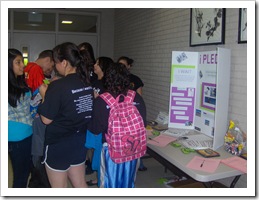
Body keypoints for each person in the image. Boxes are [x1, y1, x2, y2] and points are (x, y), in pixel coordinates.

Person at [37, 42, 94, 188]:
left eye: (56, 62)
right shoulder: (86, 82)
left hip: (59, 144)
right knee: (80, 183)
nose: (55, 66)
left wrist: (44, 95)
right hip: (79, 140)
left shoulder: (57, 86)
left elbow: (46, 120)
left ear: (64, 62)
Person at [88, 63, 147, 188]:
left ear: (107, 78)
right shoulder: (136, 97)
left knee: (109, 182)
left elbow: (95, 129)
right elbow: (144, 123)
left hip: (111, 150)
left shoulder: (102, 100)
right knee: (129, 181)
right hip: (133, 149)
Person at [85, 56, 114, 187]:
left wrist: (96, 99)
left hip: (102, 123)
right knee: (94, 150)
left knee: (99, 151)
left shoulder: (108, 84)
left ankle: (100, 177)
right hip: (92, 119)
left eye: (97, 63)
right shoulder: (95, 82)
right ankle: (98, 174)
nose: (94, 65)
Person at [8, 48, 33, 187]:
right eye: (18, 62)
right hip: (15, 136)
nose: (22, 65)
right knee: (20, 176)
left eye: (22, 62)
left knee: (25, 172)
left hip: (27, 132)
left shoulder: (20, 82)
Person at [117, 56, 147, 171]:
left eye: (124, 65)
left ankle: (140, 161)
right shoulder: (116, 78)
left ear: (129, 66)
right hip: (121, 113)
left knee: (135, 138)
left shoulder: (135, 79)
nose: (122, 67)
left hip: (133, 112)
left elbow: (139, 97)